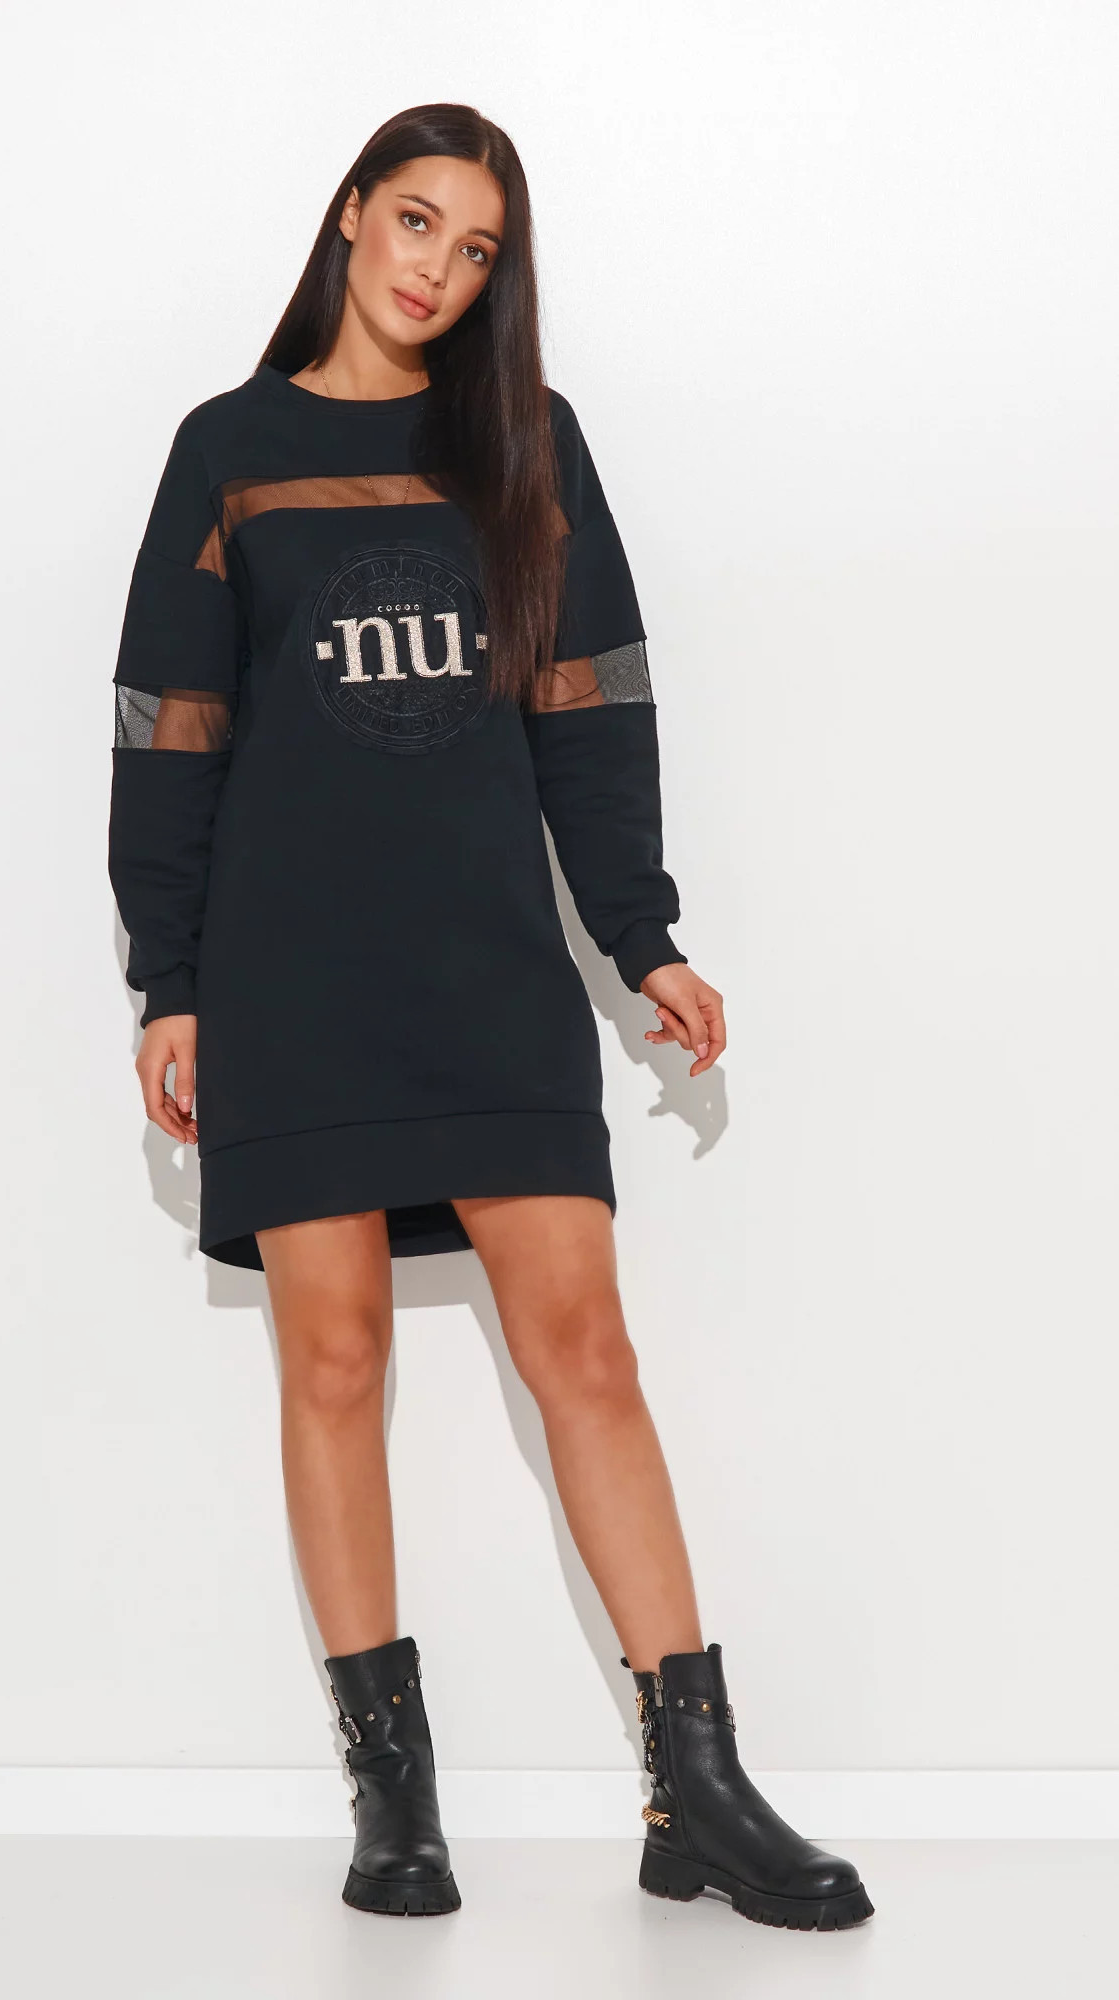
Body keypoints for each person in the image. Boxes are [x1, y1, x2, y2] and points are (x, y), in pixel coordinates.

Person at [107, 101, 873, 1932]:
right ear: (349, 214)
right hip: (290, 968)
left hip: (484, 963)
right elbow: (168, 726)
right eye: (415, 223)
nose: (436, 270)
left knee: (581, 1346)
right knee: (333, 1360)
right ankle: (393, 1800)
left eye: (474, 251)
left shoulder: (528, 441)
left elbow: (589, 701)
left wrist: (640, 936)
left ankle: (697, 1789)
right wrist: (169, 979)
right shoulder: (229, 450)